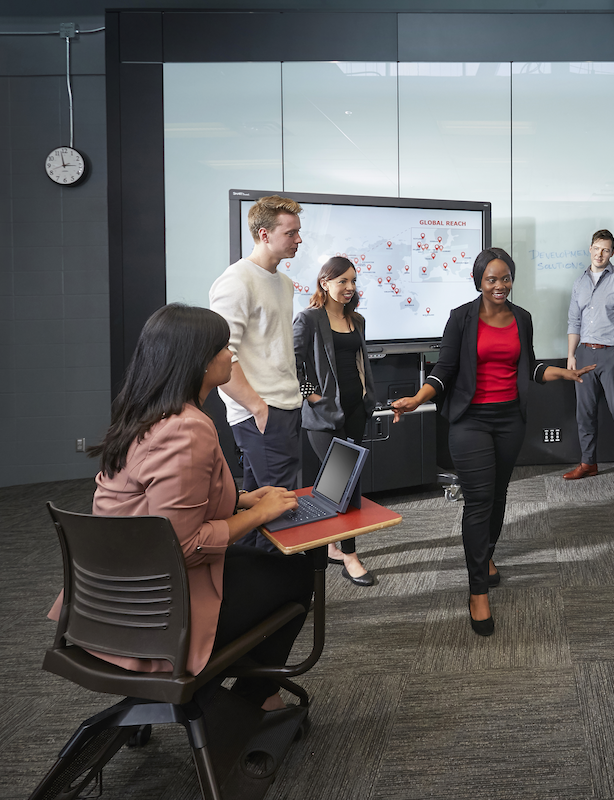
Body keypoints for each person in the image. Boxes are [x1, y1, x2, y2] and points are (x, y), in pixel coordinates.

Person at [50, 304, 313, 710]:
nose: (232, 356)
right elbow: (185, 545)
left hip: (106, 599)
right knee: (296, 573)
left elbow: (155, 501)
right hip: (157, 614)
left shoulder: (143, 413)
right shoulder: (187, 429)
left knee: (253, 563)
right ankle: (253, 698)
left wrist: (242, 499)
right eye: (224, 348)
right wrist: (258, 515)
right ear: (199, 363)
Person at [391, 247, 594, 637]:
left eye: (505, 278)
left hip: (509, 419)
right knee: (479, 500)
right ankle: (477, 591)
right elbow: (445, 369)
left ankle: (485, 559)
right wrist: (418, 399)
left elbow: (529, 366)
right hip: (470, 421)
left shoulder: (522, 318)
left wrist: (559, 373)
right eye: (492, 279)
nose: (500, 285)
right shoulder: (461, 319)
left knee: (499, 495)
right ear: (478, 281)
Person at [210, 195, 304, 549]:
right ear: (264, 234)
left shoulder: (283, 282)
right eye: (290, 233)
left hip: (285, 406)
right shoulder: (236, 281)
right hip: (261, 412)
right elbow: (221, 352)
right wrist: (257, 407)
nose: (298, 240)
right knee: (276, 510)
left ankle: (252, 590)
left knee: (257, 505)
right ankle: (277, 591)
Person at [294, 256, 377, 587]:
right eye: (342, 281)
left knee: (342, 480)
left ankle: (332, 546)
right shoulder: (309, 319)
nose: (350, 287)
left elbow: (359, 361)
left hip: (356, 409)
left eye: (353, 281)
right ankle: (350, 556)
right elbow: (292, 363)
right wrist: (312, 396)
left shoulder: (357, 319)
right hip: (324, 414)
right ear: (324, 282)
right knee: (344, 481)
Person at [564, 229, 614, 489]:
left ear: (612, 252)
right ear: (590, 248)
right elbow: (574, 321)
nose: (600, 254)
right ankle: (588, 463)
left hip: (612, 353)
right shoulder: (579, 283)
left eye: (606, 250)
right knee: (584, 413)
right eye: (597, 248)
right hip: (584, 352)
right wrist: (571, 355)